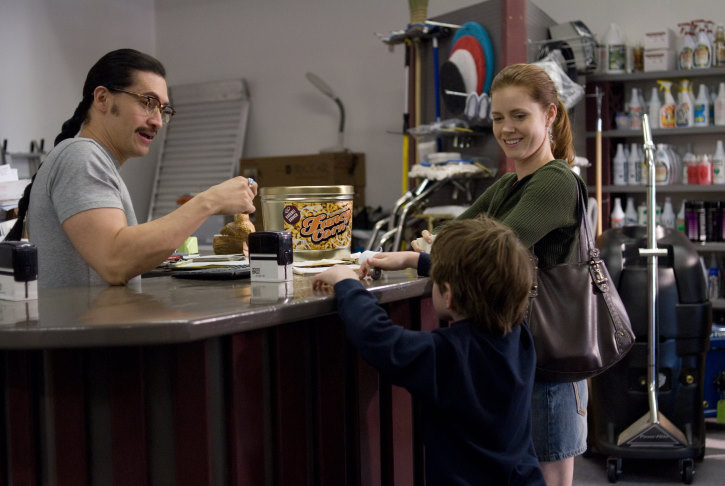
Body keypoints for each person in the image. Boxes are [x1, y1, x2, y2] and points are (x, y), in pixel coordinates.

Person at [362, 63, 588, 486]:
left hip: (553, 361)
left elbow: (482, 250)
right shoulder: (507, 185)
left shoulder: (555, 181)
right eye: (498, 118)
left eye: (519, 116)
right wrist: (410, 258)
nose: (506, 129)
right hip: (520, 355)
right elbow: (452, 239)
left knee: (549, 474)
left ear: (551, 114)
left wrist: (431, 251)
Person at [314, 216, 544, 486]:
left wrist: (346, 282)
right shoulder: (520, 335)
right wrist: (415, 260)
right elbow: (490, 275)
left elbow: (378, 337)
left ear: (448, 294)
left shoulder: (446, 354)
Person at [7, 49, 257, 288]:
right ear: (103, 99)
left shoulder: (95, 161)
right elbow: (115, 261)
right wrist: (209, 201)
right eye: (148, 102)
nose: (158, 121)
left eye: (163, 109)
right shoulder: (81, 155)